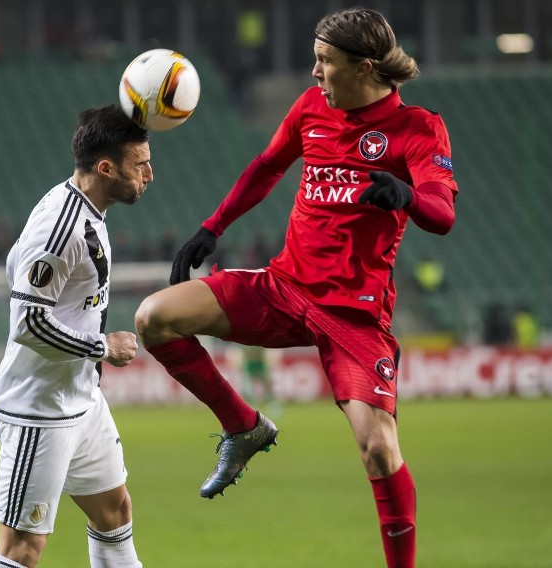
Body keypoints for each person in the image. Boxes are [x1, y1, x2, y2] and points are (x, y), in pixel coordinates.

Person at [134, 8, 457, 568]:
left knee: (379, 450)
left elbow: (443, 212)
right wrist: (212, 228)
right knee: (153, 318)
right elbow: (266, 167)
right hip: (282, 289)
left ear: (363, 68)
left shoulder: (418, 128)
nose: (314, 72)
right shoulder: (312, 109)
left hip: (354, 318)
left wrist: (406, 197)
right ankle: (243, 427)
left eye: (325, 62)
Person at [0, 105, 150, 568]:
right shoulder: (61, 228)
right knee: (22, 548)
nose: (150, 175)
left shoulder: (84, 207)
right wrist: (103, 346)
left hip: (81, 397)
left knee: (114, 512)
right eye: (139, 166)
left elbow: (15, 268)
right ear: (106, 168)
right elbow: (28, 323)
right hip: (37, 409)